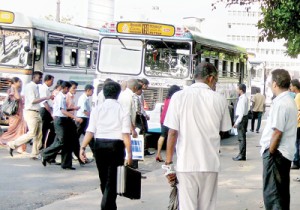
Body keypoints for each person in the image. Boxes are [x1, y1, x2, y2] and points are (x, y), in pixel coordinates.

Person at [164, 62, 231, 210]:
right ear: (211, 78)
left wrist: (168, 164)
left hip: (186, 164)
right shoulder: (219, 99)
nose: (215, 85)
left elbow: (172, 132)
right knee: (207, 207)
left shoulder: (178, 97)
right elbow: (224, 129)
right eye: (216, 81)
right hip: (210, 164)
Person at [79, 81, 132, 210]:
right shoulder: (123, 110)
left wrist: (82, 147)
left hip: (99, 145)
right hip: (116, 146)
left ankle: (109, 206)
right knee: (111, 179)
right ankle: (106, 206)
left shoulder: (97, 109)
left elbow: (90, 131)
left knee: (104, 178)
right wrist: (129, 153)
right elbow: (126, 134)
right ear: (118, 94)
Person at [260, 69, 297, 210]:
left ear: (275, 84)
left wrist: (270, 151)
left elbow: (277, 132)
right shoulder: (288, 100)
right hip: (282, 154)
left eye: (270, 82)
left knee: (273, 196)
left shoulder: (281, 103)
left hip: (277, 155)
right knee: (280, 195)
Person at [7, 71, 54, 159]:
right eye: (39, 78)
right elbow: (33, 100)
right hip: (30, 112)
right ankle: (12, 144)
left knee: (39, 134)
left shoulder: (36, 87)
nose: (40, 80)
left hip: (37, 111)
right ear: (34, 77)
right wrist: (46, 98)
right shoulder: (30, 87)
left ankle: (35, 153)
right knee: (32, 133)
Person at [41, 81, 83, 170]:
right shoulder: (60, 97)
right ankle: (45, 154)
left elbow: (64, 109)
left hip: (65, 120)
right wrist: (75, 117)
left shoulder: (63, 97)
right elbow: (63, 111)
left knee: (68, 142)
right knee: (61, 141)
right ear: (65, 88)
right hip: (59, 120)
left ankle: (66, 164)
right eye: (68, 88)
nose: (68, 90)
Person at [0, 77, 27, 153]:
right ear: (14, 82)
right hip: (15, 113)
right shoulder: (13, 88)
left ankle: (19, 146)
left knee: (19, 129)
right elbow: (17, 98)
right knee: (13, 130)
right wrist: (18, 92)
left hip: (18, 112)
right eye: (19, 82)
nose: (20, 83)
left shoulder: (14, 88)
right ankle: (3, 140)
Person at [155, 85, 180, 162]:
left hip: (163, 119)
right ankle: (169, 158)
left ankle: (158, 154)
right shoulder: (174, 100)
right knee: (171, 136)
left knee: (162, 136)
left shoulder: (166, 99)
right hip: (170, 120)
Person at [76, 84, 95, 161]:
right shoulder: (82, 98)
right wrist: (92, 116)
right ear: (88, 90)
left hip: (85, 119)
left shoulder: (86, 98)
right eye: (92, 91)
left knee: (90, 138)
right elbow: (84, 111)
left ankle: (95, 153)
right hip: (82, 119)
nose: (92, 93)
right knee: (76, 137)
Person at [138, 78, 154, 156]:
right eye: (147, 85)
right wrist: (145, 115)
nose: (147, 87)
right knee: (143, 132)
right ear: (143, 85)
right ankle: (143, 150)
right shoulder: (139, 93)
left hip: (140, 115)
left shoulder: (140, 93)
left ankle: (143, 150)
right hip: (140, 116)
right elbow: (140, 106)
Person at [232, 84, 248, 161]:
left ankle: (242, 155)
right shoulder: (244, 98)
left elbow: (241, 114)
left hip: (241, 120)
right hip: (244, 119)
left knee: (241, 138)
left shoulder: (242, 99)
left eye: (238, 89)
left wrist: (236, 123)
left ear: (241, 90)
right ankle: (241, 154)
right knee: (242, 138)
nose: (236, 90)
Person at [39, 74, 55, 148]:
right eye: (51, 81)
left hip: (48, 110)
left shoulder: (47, 89)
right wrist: (51, 113)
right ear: (47, 80)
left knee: (51, 128)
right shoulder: (43, 88)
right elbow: (44, 102)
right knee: (43, 129)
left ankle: (48, 145)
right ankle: (41, 146)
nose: (52, 83)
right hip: (45, 110)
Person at [290, 79, 300, 169]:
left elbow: (297, 111)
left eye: (291, 86)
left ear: (295, 87)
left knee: (296, 143)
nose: (290, 87)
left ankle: (296, 161)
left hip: (298, 124)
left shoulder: (298, 97)